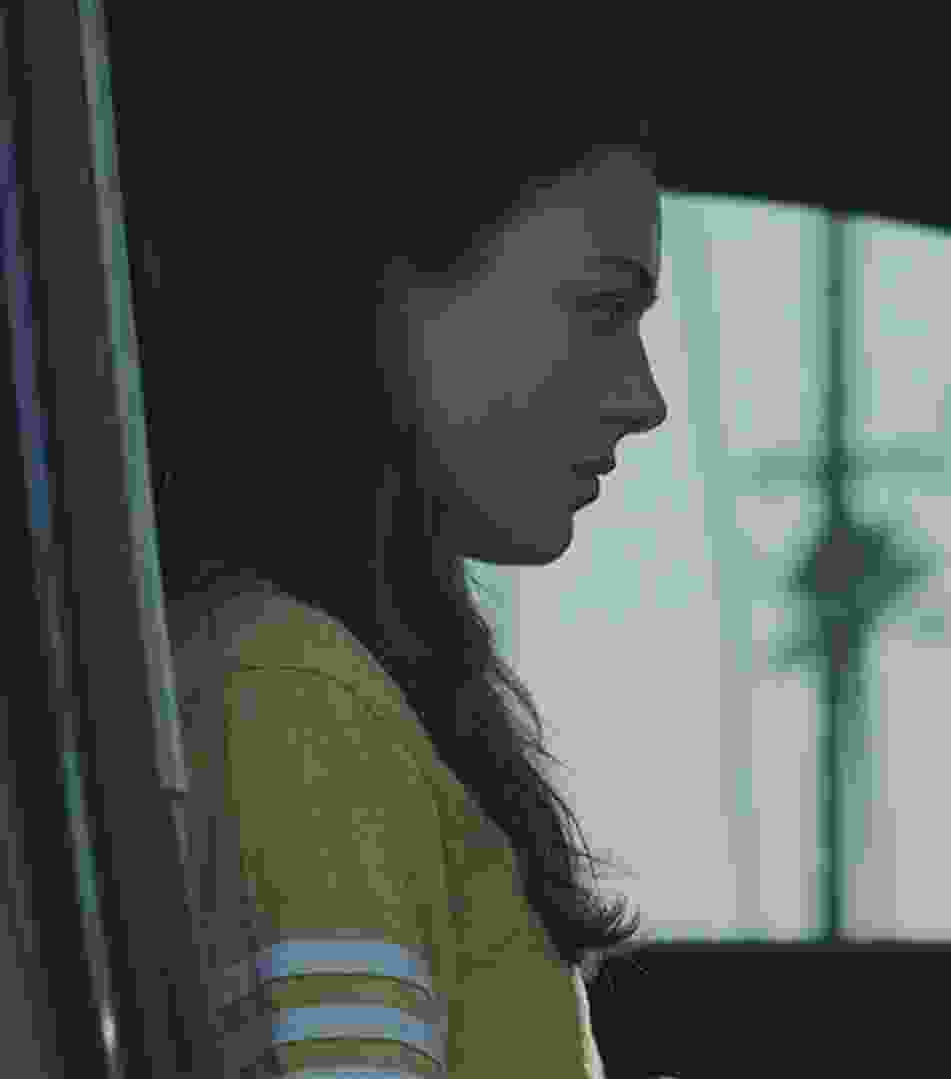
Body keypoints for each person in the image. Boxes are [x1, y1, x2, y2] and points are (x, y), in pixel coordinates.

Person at [108, 15, 666, 1078]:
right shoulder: (288, 691)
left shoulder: (309, 676)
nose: (645, 397)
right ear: (380, 293)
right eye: (602, 309)